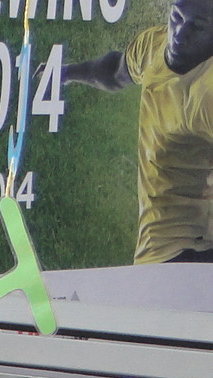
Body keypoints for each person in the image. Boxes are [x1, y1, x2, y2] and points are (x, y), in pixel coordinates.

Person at [63, 0, 213, 263]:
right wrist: (66, 72)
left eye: (197, 27)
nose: (180, 33)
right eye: (177, 17)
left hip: (190, 252)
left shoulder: (206, 93)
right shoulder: (154, 45)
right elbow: (115, 70)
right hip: (160, 248)